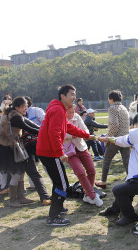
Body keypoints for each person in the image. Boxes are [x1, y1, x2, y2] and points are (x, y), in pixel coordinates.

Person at [36, 84, 95, 226]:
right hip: (50, 153)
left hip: (47, 151)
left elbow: (68, 127)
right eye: (71, 95)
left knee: (59, 181)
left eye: (75, 94)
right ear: (62, 96)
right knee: (62, 184)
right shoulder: (57, 109)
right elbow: (54, 133)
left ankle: (58, 207)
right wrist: (60, 152)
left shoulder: (59, 108)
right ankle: (53, 217)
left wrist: (86, 135)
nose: (74, 98)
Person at [0, 96, 39, 207]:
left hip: (11, 147)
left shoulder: (13, 114)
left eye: (27, 106)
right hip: (7, 148)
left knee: (20, 173)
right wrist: (45, 132)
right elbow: (29, 128)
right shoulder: (15, 117)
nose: (25, 108)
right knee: (16, 174)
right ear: (17, 107)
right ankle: (13, 200)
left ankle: (21, 197)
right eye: (23, 106)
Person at [64, 105, 103, 207]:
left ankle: (87, 195)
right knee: (80, 172)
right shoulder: (60, 119)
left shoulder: (77, 117)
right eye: (69, 112)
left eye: (73, 112)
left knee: (91, 170)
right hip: (69, 151)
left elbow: (85, 131)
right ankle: (92, 195)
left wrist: (75, 134)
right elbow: (60, 134)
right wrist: (74, 134)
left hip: (81, 147)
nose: (71, 115)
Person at [95, 90, 130, 189]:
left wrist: (108, 138)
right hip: (125, 138)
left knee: (106, 160)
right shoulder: (124, 108)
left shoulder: (113, 108)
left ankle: (103, 181)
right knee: (127, 161)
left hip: (115, 139)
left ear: (110, 99)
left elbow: (114, 125)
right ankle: (131, 179)